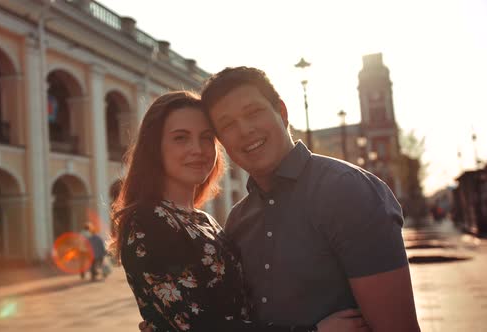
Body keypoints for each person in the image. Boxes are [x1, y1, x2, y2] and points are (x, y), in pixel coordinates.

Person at [112, 91, 368, 332]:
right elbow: (202, 326)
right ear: (154, 148)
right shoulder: (148, 221)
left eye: (206, 138)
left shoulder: (202, 220)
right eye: (181, 137)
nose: (198, 149)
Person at [199, 67, 420, 332]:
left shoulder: (348, 191)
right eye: (228, 125)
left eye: (253, 112)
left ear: (282, 112)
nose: (245, 130)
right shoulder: (237, 220)